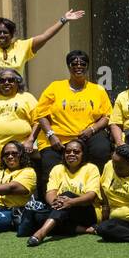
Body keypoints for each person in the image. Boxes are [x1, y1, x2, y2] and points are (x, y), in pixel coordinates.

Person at [33, 49, 113, 188]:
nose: (78, 66)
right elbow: (41, 114)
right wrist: (51, 135)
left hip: (87, 136)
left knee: (102, 149)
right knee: (50, 168)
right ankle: (54, 201)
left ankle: (97, 192)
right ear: (68, 66)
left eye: (82, 64)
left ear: (87, 67)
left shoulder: (98, 89)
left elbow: (107, 116)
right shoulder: (55, 87)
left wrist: (92, 129)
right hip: (58, 137)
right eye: (74, 64)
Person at [22, 139, 101, 247]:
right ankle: (86, 230)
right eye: (68, 151)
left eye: (76, 152)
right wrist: (56, 202)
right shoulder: (57, 169)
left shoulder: (91, 168)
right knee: (39, 217)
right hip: (62, 210)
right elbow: (50, 192)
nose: (71, 154)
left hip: (86, 211)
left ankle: (41, 233)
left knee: (67, 195)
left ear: (83, 154)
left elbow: (91, 195)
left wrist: (71, 202)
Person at [0, 68, 39, 169]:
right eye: (2, 81)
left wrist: (30, 140)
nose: (6, 83)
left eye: (11, 80)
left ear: (18, 82)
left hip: (18, 154)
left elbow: (37, 121)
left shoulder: (27, 97)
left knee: (17, 181)